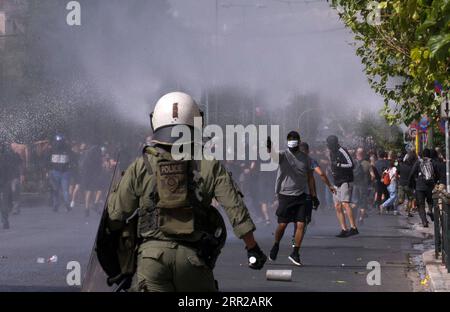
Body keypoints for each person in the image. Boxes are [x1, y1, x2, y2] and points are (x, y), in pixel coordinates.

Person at [104, 92, 266, 292]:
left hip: (150, 260)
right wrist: (252, 248)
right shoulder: (209, 164)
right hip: (193, 260)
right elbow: (235, 209)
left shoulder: (141, 165)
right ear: (197, 123)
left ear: (155, 122)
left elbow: (116, 215)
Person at [267, 131, 317, 266]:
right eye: (291, 140)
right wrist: (269, 148)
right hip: (285, 195)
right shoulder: (283, 155)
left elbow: (311, 178)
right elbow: (274, 157)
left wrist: (314, 196)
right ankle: (276, 245)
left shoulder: (306, 159)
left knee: (301, 225)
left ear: (299, 142)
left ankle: (295, 252)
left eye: (295, 140)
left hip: (301, 195)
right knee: (282, 225)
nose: (293, 143)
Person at [326, 135, 359, 238]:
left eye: (329, 144)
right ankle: (344, 229)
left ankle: (353, 228)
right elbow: (333, 164)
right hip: (336, 181)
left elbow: (351, 165)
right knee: (337, 206)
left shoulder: (342, 150)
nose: (328, 146)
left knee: (345, 203)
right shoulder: (331, 152)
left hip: (345, 180)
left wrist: (339, 165)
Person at [408, 148, 437, 227]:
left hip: (420, 186)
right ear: (429, 155)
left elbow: (412, 173)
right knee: (430, 200)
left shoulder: (418, 162)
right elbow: (437, 173)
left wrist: (411, 184)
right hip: (430, 186)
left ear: (422, 155)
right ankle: (430, 211)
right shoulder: (433, 162)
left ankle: (424, 221)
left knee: (421, 204)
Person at [47, 134, 73, 212]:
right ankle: (65, 205)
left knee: (57, 190)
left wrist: (48, 170)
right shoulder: (67, 149)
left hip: (58, 172)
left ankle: (57, 205)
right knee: (64, 190)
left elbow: (47, 160)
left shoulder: (52, 149)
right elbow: (72, 158)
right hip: (63, 172)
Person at [0, 142, 22, 229]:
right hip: (5, 182)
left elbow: (15, 165)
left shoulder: (7, 156)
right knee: (4, 203)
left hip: (4, 183)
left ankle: (5, 219)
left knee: (4, 203)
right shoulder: (8, 155)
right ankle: (5, 219)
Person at [352, 147, 371, 224]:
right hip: (364, 185)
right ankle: (361, 218)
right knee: (363, 203)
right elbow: (372, 176)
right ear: (364, 154)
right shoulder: (367, 163)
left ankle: (353, 218)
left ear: (356, 153)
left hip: (355, 184)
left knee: (354, 202)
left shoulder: (353, 162)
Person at [397, 151, 416, 217]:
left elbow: (398, 173)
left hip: (401, 184)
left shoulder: (401, 165)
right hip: (409, 185)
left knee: (401, 200)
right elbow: (414, 177)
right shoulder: (413, 167)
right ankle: (408, 212)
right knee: (410, 199)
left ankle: (395, 208)